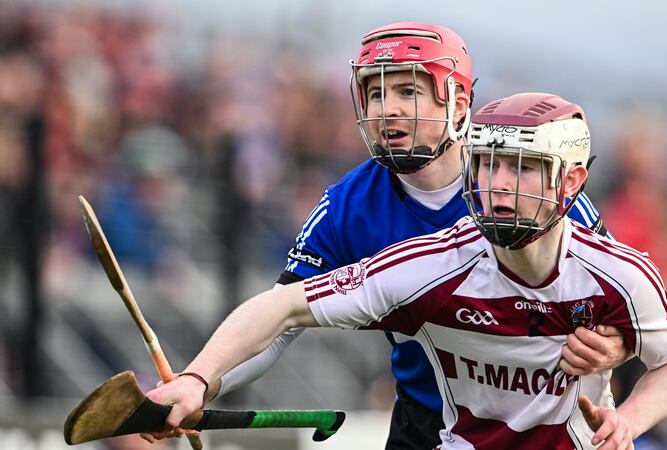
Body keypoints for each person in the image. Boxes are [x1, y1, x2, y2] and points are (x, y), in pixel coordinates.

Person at [145, 92, 667, 449]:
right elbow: (282, 305)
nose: (501, 184)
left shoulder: (621, 273)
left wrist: (629, 419)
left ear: (571, 182)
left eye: (525, 169)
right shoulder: (431, 268)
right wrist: (197, 379)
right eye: (489, 166)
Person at [203, 23, 627, 449]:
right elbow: (277, 321)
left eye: (408, 92)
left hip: (542, 427)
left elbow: (627, 309)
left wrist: (616, 345)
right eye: (375, 93)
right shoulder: (344, 208)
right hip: (428, 426)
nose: (387, 109)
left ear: (459, 105)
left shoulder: (523, 190)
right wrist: (198, 383)